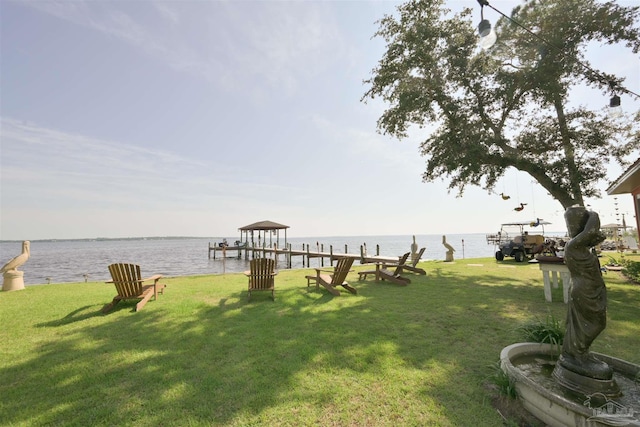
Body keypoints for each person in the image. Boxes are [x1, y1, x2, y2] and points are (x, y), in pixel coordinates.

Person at [558, 206, 612, 380]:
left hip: (591, 288)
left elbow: (592, 233)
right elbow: (592, 229)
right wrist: (592, 213)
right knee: (596, 323)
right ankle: (578, 353)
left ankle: (578, 352)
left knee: (588, 324)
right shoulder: (573, 246)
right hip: (584, 290)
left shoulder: (582, 247)